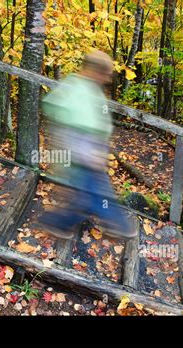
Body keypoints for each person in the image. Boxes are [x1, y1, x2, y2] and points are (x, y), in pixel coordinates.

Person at [37, 50, 138, 240]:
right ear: (95, 71)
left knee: (88, 195)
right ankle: (118, 226)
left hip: (88, 153)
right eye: (106, 74)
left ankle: (58, 223)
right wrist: (86, 153)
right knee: (95, 194)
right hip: (80, 155)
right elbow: (66, 125)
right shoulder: (75, 88)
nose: (107, 80)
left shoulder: (89, 89)